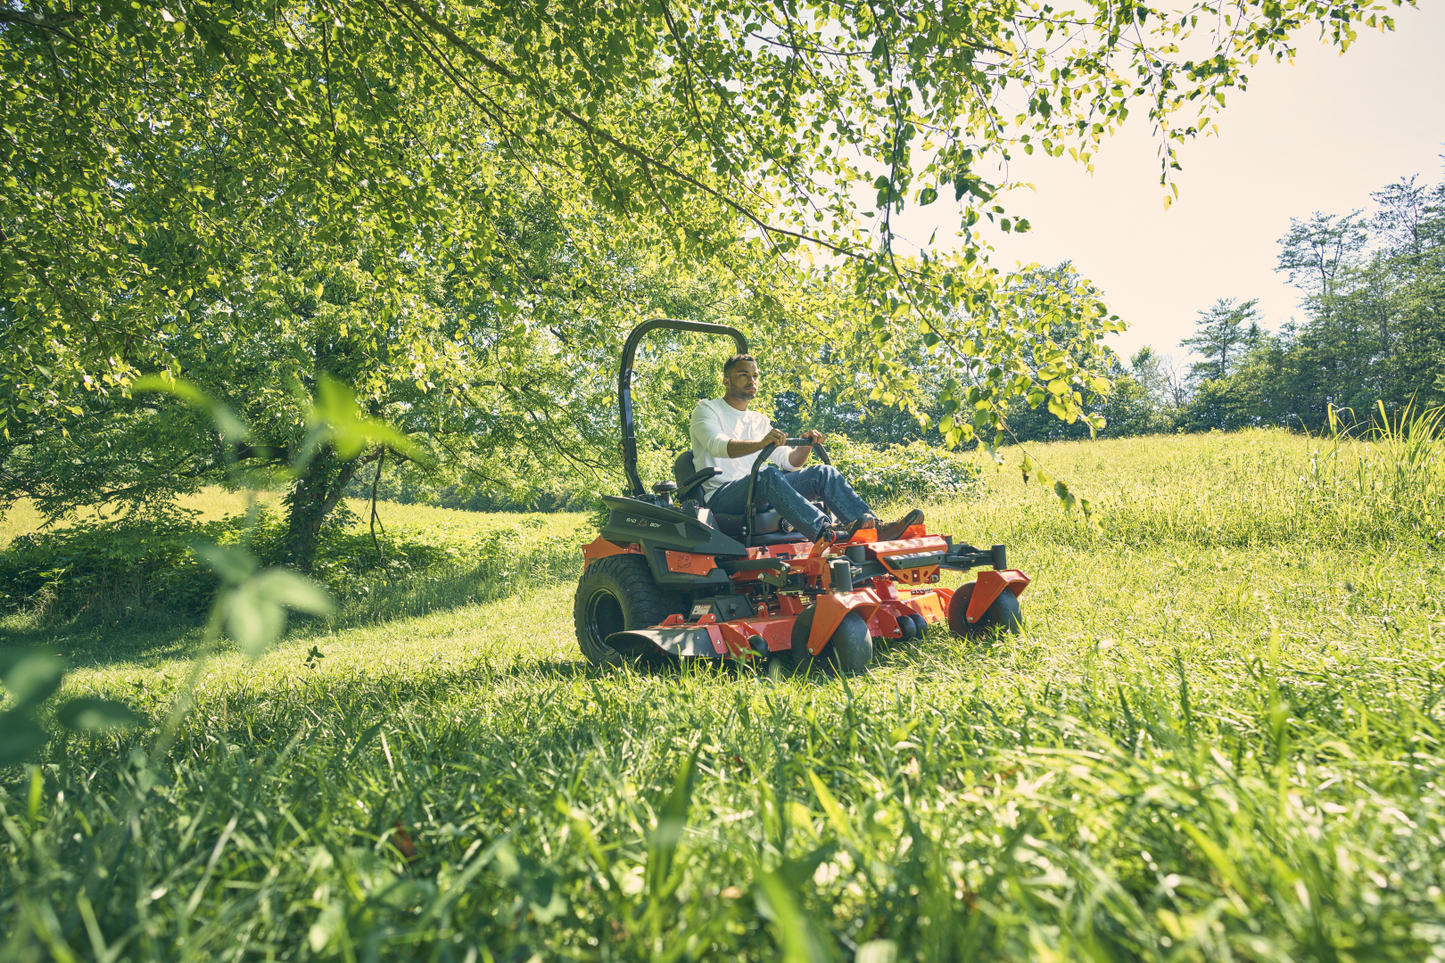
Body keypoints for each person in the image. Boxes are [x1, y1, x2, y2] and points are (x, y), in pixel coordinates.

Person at [689, 353, 923, 542]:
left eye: (755, 376)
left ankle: (873, 529)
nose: (752, 381)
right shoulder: (707, 410)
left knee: (824, 472)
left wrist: (806, 446)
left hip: (759, 488)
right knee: (767, 475)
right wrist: (762, 443)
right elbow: (718, 446)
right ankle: (825, 532)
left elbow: (789, 462)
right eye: (744, 375)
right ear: (726, 381)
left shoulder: (759, 419)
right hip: (723, 495)